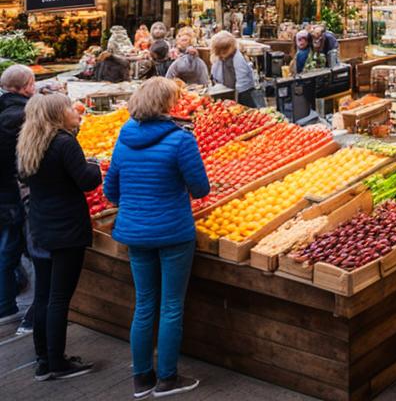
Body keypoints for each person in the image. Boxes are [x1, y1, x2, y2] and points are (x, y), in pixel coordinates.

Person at [104, 78, 209, 397]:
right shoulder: (181, 140)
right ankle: (167, 379)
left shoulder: (124, 138)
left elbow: (110, 190)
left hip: (135, 232)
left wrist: (138, 204)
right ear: (166, 104)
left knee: (145, 302)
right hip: (173, 231)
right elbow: (201, 188)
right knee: (172, 305)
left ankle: (141, 379)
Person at [18, 92, 102, 380]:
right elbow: (86, 181)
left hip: (40, 226)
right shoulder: (64, 142)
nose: (72, 110)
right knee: (59, 297)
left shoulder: (29, 142)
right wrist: (97, 166)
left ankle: (42, 358)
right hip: (67, 228)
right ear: (57, 113)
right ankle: (57, 361)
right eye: (68, 106)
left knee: (42, 295)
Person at [0, 65, 35, 328]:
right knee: (10, 245)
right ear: (27, 86)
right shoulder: (22, 115)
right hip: (10, 189)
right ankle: (5, 306)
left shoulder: (4, 107)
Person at [210, 32, 264, 108]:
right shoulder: (219, 58)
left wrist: (237, 98)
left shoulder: (237, 57)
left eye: (225, 50)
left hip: (243, 92)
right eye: (220, 51)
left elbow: (242, 79)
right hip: (226, 90)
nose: (222, 53)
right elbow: (215, 74)